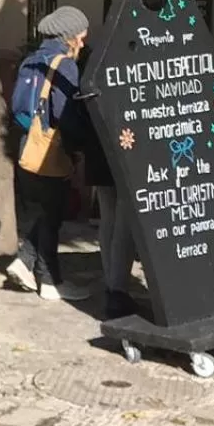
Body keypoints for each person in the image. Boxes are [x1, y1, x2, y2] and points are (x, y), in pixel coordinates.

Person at [5, 6, 88, 300]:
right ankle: (51, 282)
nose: (83, 39)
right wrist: (79, 147)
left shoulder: (31, 61)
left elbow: (17, 108)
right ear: (69, 37)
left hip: (28, 145)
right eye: (81, 34)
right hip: (51, 150)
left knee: (46, 212)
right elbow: (63, 113)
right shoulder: (64, 64)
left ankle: (24, 262)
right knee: (53, 216)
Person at [72, 89, 137, 320]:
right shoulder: (120, 62)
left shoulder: (93, 66)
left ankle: (112, 284)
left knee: (109, 217)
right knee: (124, 221)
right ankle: (118, 290)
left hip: (97, 148)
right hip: (123, 146)